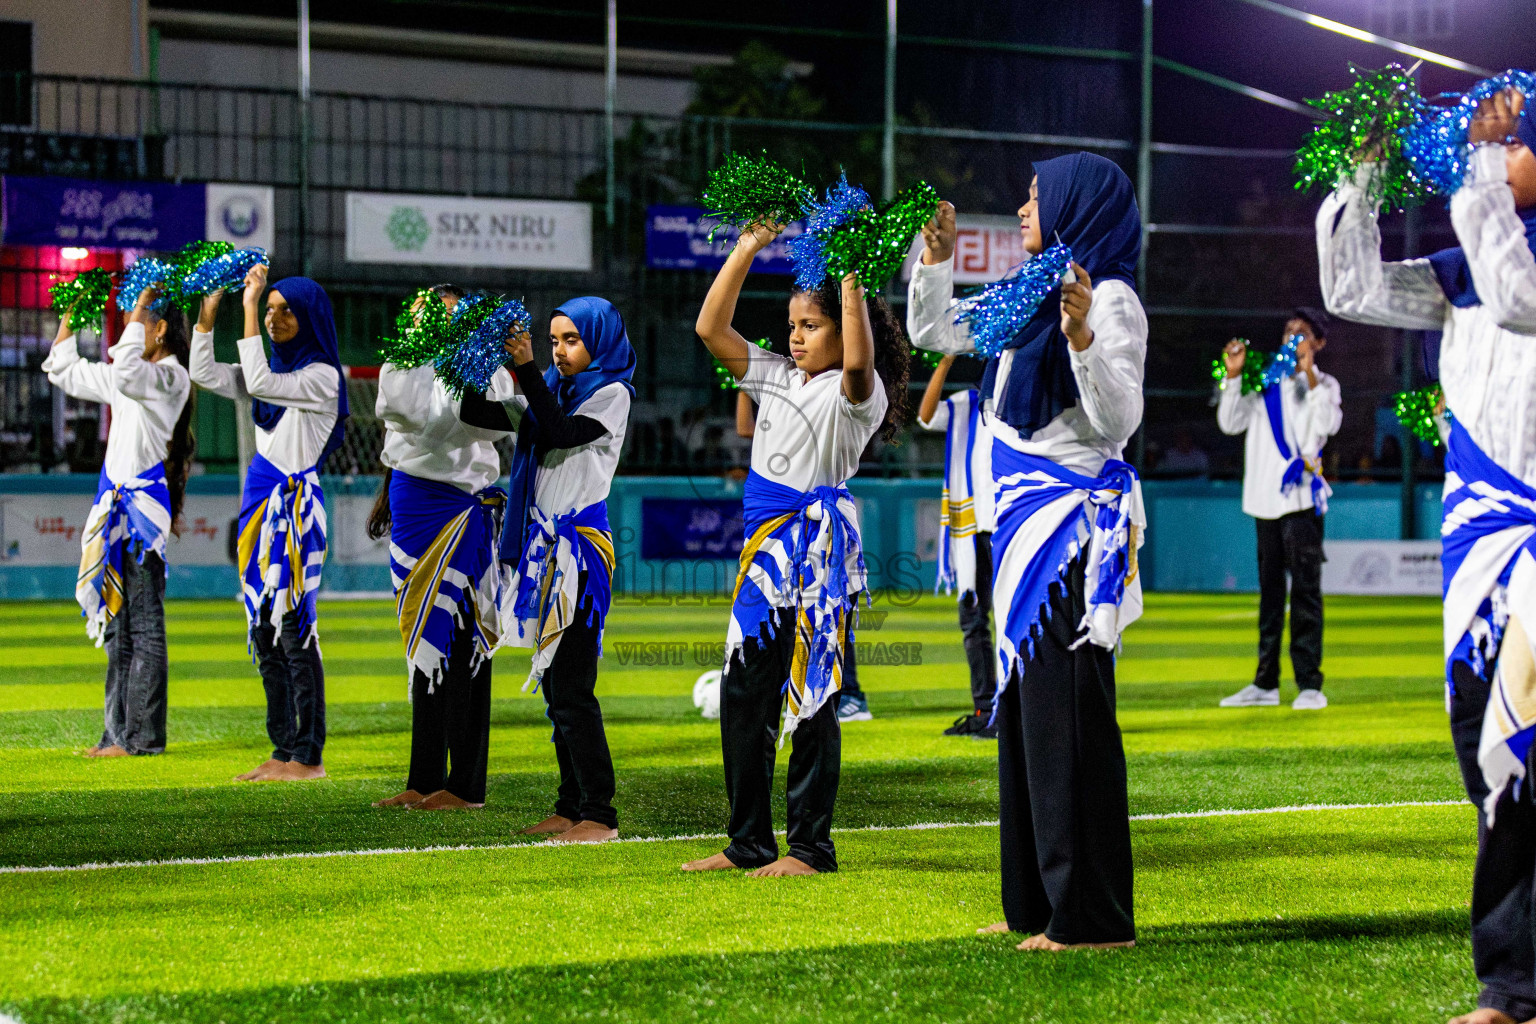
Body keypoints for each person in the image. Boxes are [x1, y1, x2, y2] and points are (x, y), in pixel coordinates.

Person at [1318, 86, 1536, 1024]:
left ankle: (1512, 986)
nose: (1498, 147)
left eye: (1518, 139)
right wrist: (1364, 170)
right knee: (1480, 751)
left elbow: (1520, 295)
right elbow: (1351, 290)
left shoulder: (1505, 259)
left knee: (1521, 755)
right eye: (1499, 139)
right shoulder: (1461, 270)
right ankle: (1518, 978)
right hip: (1478, 552)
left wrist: (1480, 172)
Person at [909, 157, 1146, 950]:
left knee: (1070, 726)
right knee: (1026, 725)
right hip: (1017, 536)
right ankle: (1036, 905)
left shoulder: (1109, 297)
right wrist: (935, 262)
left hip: (1069, 538)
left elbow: (1118, 417)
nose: (1021, 208)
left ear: (1076, 206)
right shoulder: (1028, 292)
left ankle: (1094, 916)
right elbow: (934, 332)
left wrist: (1080, 335)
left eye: (1037, 197)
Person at [682, 217, 908, 878]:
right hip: (764, 554)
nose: (796, 336)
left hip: (818, 554)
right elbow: (709, 329)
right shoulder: (775, 376)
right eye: (792, 325)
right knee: (744, 690)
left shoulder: (857, 395)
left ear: (842, 326)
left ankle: (811, 848)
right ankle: (747, 840)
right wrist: (747, 249)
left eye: (811, 325)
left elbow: (862, 362)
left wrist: (850, 279)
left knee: (813, 695)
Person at [459, 296, 634, 845]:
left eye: (571, 340)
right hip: (543, 550)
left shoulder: (612, 394)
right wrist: (471, 356)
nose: (559, 351)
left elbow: (558, 432)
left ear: (600, 340)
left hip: (578, 552)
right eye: (554, 340)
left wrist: (527, 367)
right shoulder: (549, 393)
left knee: (574, 687)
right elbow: (476, 415)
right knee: (556, 689)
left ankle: (599, 814)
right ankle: (569, 805)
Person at [190, 267, 347, 782]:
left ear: (310, 318)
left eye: (286, 310)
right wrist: (208, 315)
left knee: (296, 629)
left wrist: (251, 303)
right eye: (271, 309)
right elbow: (205, 374)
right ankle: (282, 750)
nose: (276, 319)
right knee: (263, 630)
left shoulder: (320, 376)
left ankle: (310, 755)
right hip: (260, 510)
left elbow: (256, 379)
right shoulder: (276, 377)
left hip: (295, 510)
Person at [370, 283, 508, 810]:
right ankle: (424, 776)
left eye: (448, 315)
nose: (436, 324)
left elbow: (467, 423)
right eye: (428, 314)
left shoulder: (484, 363)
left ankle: (466, 785)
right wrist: (417, 347)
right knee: (422, 637)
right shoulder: (405, 358)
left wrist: (461, 355)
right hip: (414, 502)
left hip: (462, 507)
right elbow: (399, 412)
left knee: (466, 637)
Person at [43, 285, 194, 757]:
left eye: (135, 320)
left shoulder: (170, 376)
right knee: (117, 625)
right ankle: (116, 734)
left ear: (160, 329)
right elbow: (63, 369)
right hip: (116, 514)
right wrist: (74, 309)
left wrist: (144, 299)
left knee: (143, 624)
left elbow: (126, 370)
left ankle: (143, 738)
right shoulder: (138, 375)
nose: (126, 328)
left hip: (142, 516)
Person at [1215, 308, 1342, 710]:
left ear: (1318, 343)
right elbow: (1229, 424)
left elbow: (1326, 427)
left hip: (1302, 499)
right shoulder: (1263, 382)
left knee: (1306, 593)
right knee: (1270, 595)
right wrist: (1233, 376)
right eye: (1289, 332)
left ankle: (1309, 684)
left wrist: (1309, 376)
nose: (1293, 339)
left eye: (1302, 334)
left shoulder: (1326, 385)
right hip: (1265, 500)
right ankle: (1265, 683)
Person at [735, 389, 873, 723]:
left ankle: (851, 694)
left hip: (824, 516)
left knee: (829, 608)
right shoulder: (779, 424)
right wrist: (744, 387)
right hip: (795, 521)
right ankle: (805, 692)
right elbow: (746, 429)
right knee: (806, 614)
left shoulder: (830, 406)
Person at [915, 353, 997, 737]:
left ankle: (1020, 711)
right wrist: (945, 362)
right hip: (973, 528)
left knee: (1017, 616)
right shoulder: (966, 403)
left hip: (1009, 522)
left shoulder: (1019, 403)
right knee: (974, 621)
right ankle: (986, 711)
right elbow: (926, 416)